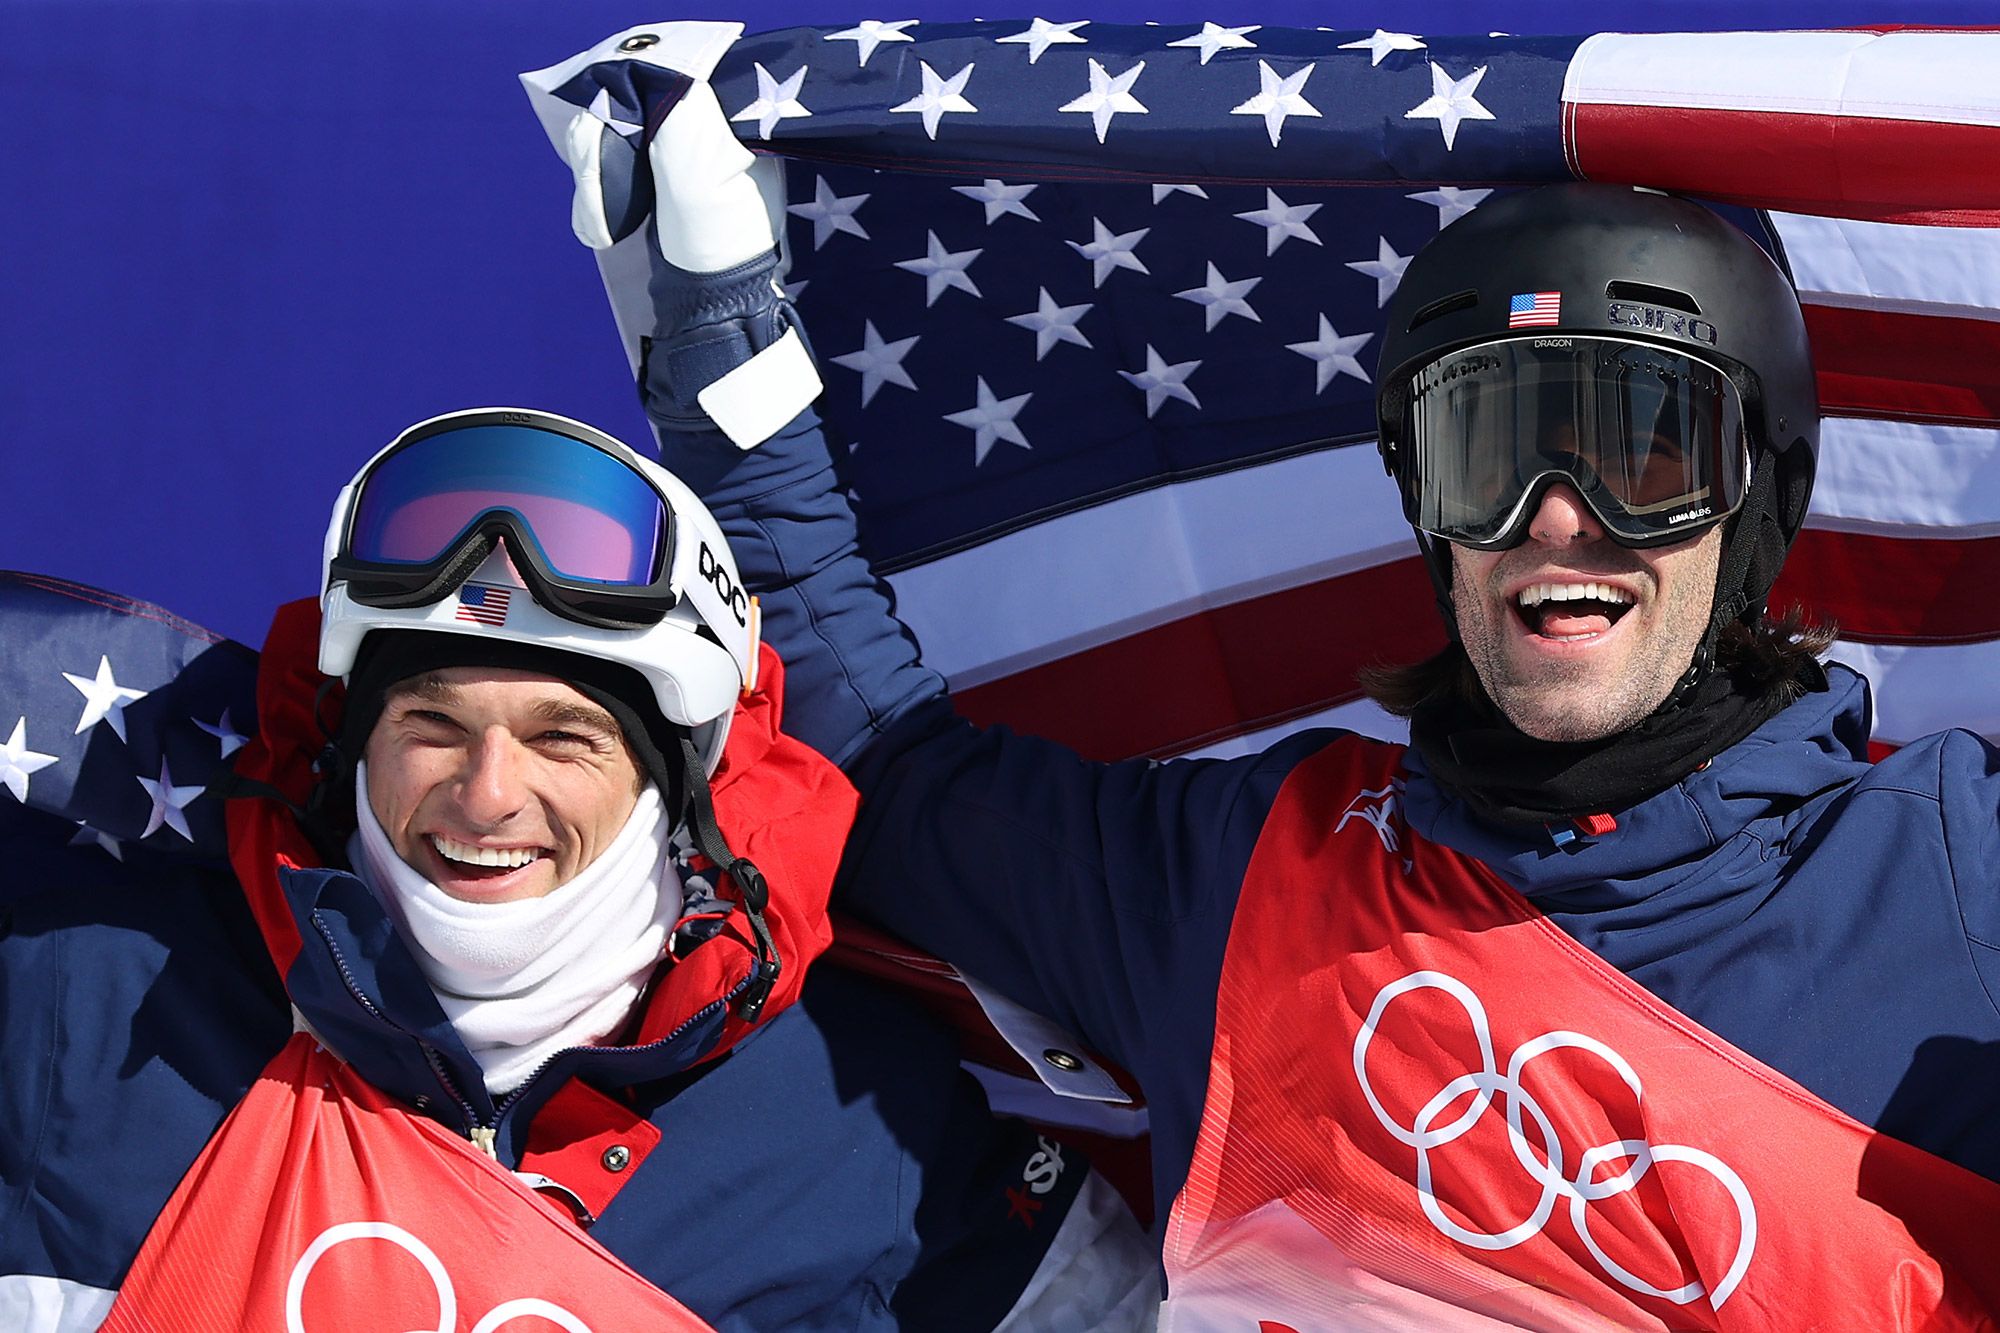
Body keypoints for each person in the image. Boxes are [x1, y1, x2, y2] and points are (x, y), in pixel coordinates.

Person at [567, 33, 2000, 1329]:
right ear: (1422, 501)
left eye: (1643, 454)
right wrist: (721, 342)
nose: (1559, 518)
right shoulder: (1241, 887)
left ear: (1756, 504)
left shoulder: (1956, 875)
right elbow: (864, 762)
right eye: (1489, 454)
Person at [0, 408, 1154, 1332]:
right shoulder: (95, 995)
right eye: (432, 724)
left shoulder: (862, 1112)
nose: (488, 790)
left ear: (672, 780)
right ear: (353, 739)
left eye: (565, 738)